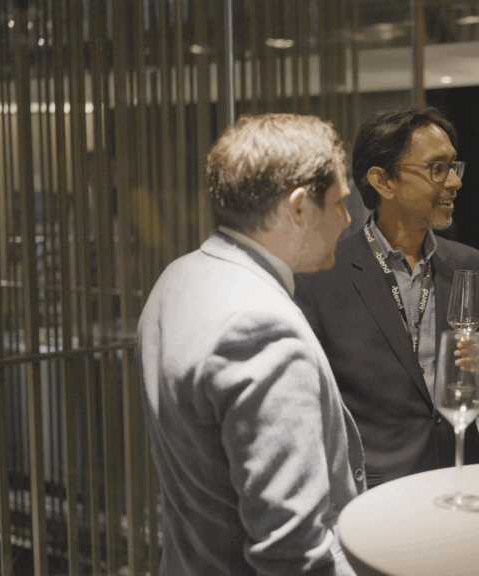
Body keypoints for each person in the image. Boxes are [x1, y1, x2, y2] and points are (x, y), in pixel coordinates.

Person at [138, 114, 364, 575]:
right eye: (341, 202)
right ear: (298, 207)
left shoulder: (177, 277)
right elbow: (292, 552)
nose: (347, 220)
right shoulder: (263, 326)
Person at [294, 107, 479, 488]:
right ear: (383, 181)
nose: (455, 182)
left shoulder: (472, 267)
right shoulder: (322, 277)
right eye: (436, 168)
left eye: (454, 166)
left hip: (465, 477)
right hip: (377, 491)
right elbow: (308, 409)